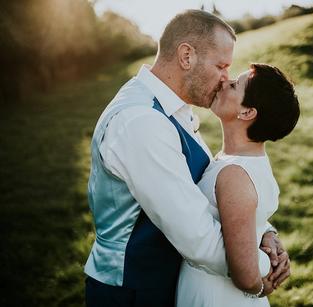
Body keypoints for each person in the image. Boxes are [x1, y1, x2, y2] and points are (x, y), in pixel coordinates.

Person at [84, 10, 290, 306]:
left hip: (164, 285)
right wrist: (263, 268)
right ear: (186, 56)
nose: (224, 79)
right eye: (221, 66)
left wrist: (264, 233)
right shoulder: (141, 121)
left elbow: (213, 198)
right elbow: (199, 237)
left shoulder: (172, 110)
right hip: (133, 291)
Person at [176, 64, 299, 306]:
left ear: (247, 113)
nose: (224, 83)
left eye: (234, 85)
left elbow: (244, 275)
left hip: (215, 296)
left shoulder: (235, 174)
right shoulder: (244, 161)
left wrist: (262, 287)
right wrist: (267, 232)